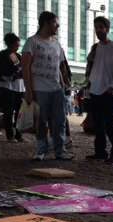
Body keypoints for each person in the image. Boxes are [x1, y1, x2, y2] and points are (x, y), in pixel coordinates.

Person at [22, 11, 73, 161]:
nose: (57, 26)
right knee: (41, 121)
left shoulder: (57, 45)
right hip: (39, 88)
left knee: (60, 121)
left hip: (56, 88)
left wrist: (62, 88)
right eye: (55, 23)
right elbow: (25, 67)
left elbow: (58, 68)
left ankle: (60, 150)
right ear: (46, 23)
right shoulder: (32, 42)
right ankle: (41, 149)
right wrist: (28, 90)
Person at [85, 16, 113, 166]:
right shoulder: (95, 48)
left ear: (107, 29)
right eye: (96, 27)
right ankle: (100, 151)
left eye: (101, 27)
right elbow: (91, 67)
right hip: (95, 89)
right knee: (98, 124)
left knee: (110, 124)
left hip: (108, 91)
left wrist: (112, 87)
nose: (98, 30)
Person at [0, 32, 25, 143]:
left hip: (19, 85)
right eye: (15, 46)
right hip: (7, 85)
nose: (17, 48)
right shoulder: (3, 54)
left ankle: (18, 134)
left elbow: (22, 71)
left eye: (18, 46)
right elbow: (4, 71)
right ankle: (10, 135)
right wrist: (17, 67)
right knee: (8, 111)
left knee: (19, 111)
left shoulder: (18, 56)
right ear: (9, 45)